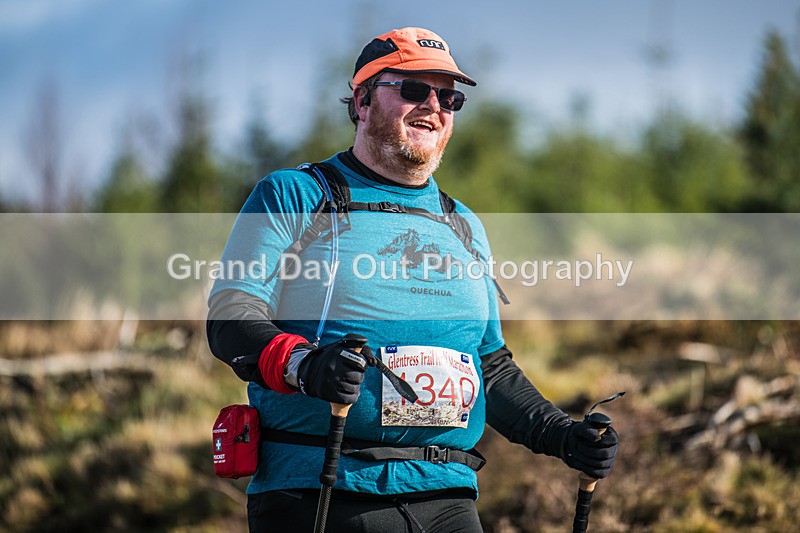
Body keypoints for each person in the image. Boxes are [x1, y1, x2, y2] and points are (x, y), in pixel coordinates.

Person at [207, 26, 618, 533]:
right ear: (362, 101)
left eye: (449, 97)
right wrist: (305, 365)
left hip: (447, 496)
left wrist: (562, 436)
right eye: (413, 89)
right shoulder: (295, 194)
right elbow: (230, 316)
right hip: (321, 487)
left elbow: (489, 366)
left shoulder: (463, 224)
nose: (434, 106)